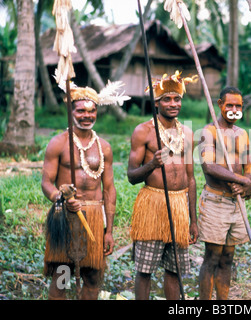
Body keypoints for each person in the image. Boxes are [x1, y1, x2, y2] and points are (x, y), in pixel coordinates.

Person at [41, 85, 117, 300]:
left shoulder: (104, 147)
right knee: (62, 276)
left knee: (93, 277)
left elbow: (110, 190)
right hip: (65, 217)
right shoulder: (58, 143)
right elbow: (46, 183)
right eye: (81, 111)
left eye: (91, 111)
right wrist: (62, 198)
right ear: (71, 112)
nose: (87, 116)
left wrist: (109, 230)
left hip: (94, 217)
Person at [127, 71, 198, 300]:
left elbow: (192, 178)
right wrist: (152, 164)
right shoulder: (144, 131)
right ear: (156, 102)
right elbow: (131, 176)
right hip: (153, 204)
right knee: (145, 269)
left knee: (174, 269)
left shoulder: (187, 133)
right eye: (166, 99)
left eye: (177, 99)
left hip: (179, 206)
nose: (173, 103)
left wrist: (193, 219)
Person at [197, 86, 251, 300]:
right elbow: (209, 167)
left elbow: (250, 168)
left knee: (228, 258)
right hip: (216, 201)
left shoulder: (242, 133)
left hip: (236, 203)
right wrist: (240, 180)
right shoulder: (209, 131)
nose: (233, 108)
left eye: (238, 105)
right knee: (212, 257)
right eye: (229, 104)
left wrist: (247, 183)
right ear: (220, 104)